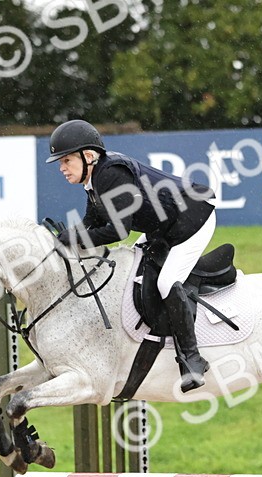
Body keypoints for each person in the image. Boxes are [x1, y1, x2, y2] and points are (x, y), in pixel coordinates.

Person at [47, 119, 217, 392]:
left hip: (193, 218)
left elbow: (117, 231)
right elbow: (91, 222)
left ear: (88, 156)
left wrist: (75, 238)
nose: (61, 168)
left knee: (165, 282)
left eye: (66, 160)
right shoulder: (94, 180)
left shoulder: (111, 175)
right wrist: (60, 241)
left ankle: (192, 359)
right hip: (163, 226)